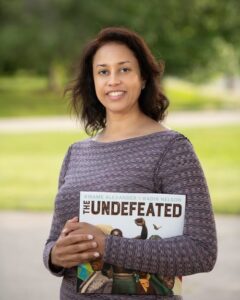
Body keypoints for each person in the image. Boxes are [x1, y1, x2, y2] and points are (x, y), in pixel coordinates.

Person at [43, 27, 217, 300]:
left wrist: (106, 246)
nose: (113, 80)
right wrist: (54, 256)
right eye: (103, 71)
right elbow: (54, 241)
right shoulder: (76, 153)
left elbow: (201, 252)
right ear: (93, 81)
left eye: (124, 69)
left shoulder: (171, 149)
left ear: (144, 78)